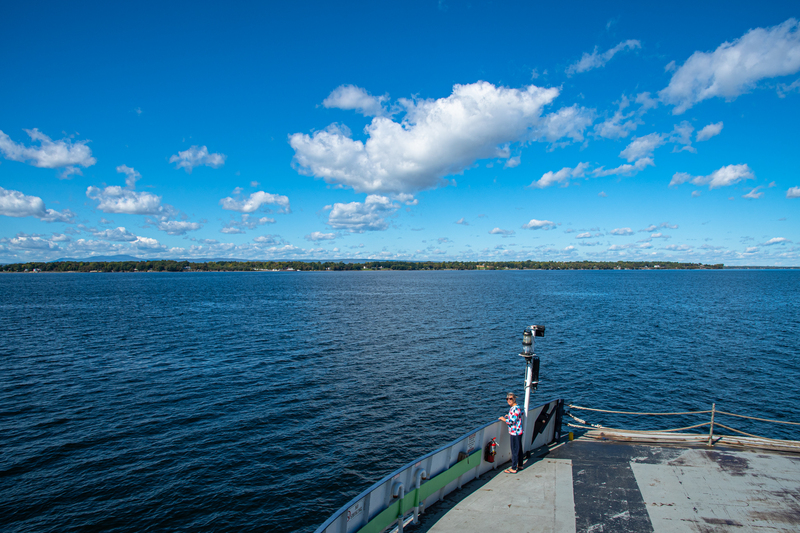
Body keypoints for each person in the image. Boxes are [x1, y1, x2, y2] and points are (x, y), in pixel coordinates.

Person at [498, 392, 523, 473]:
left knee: (515, 450)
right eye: (507, 399)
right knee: (519, 449)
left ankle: (514, 468)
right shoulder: (515, 408)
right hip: (517, 432)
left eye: (510, 399)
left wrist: (504, 419)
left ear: (514, 399)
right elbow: (514, 417)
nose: (509, 400)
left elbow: (512, 421)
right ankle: (520, 465)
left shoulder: (515, 408)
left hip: (515, 432)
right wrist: (508, 416)